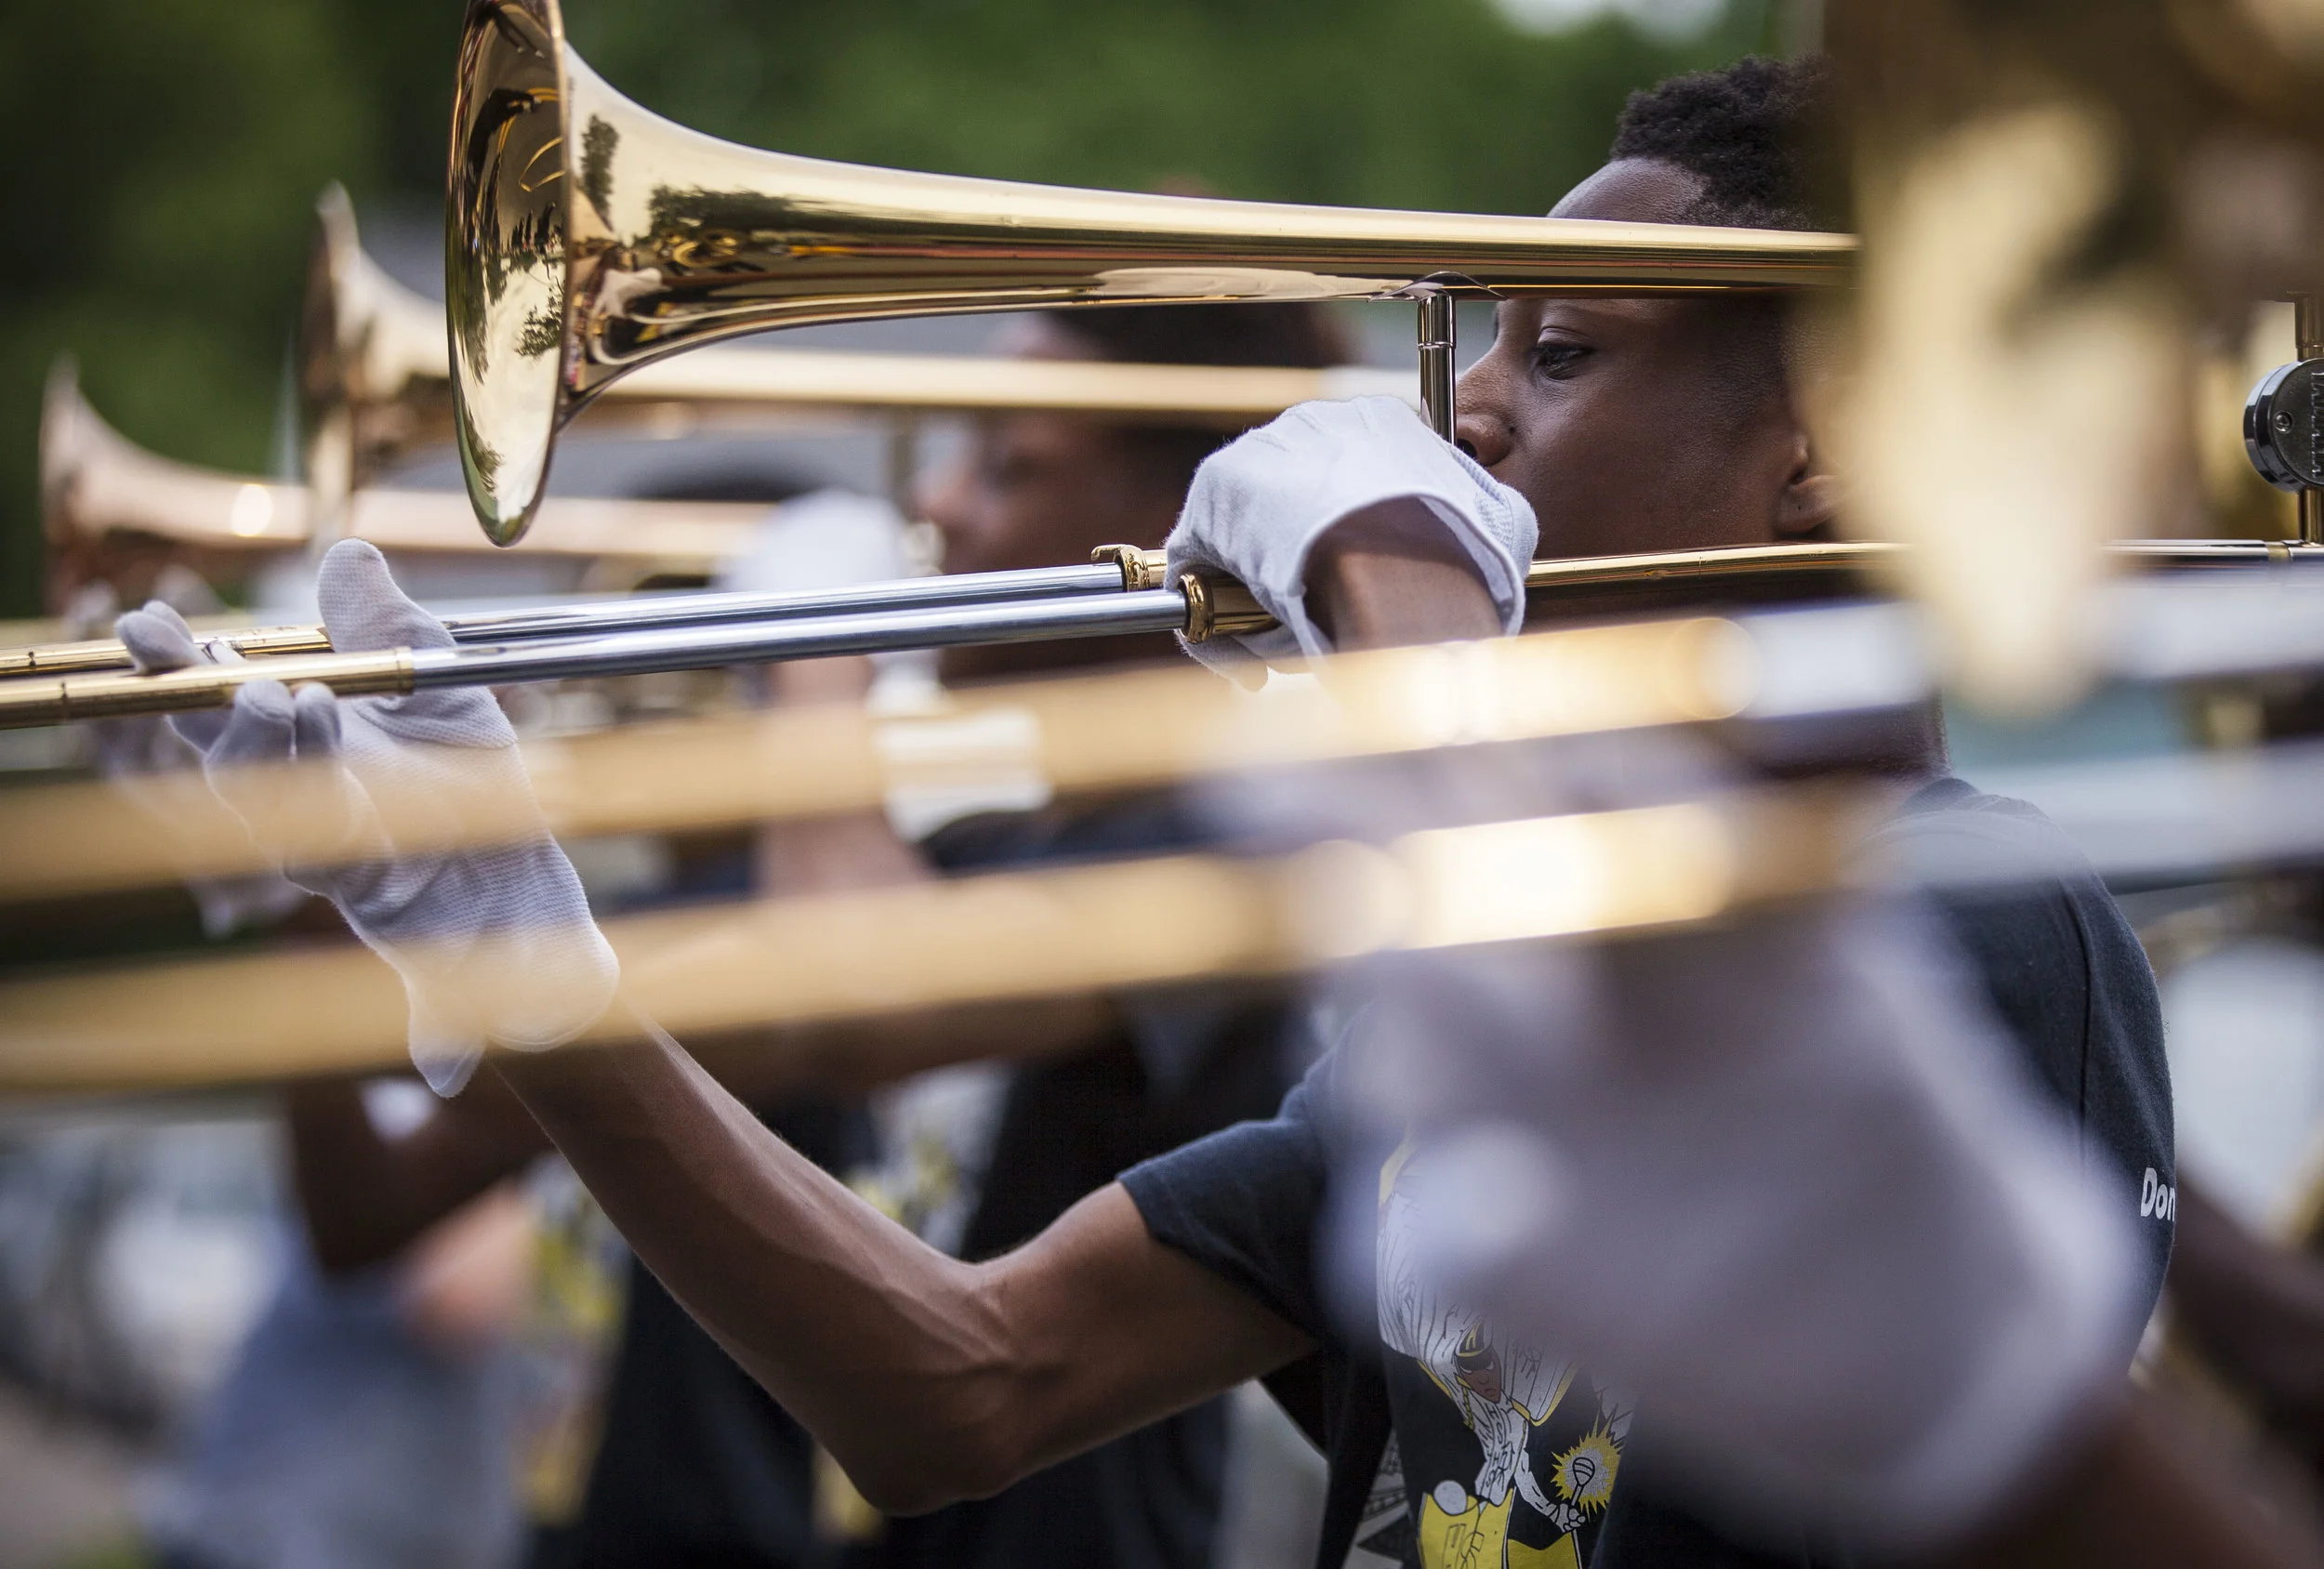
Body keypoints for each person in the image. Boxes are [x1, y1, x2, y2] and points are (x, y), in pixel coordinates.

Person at [123, 54, 2212, 1569]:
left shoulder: (1989, 904)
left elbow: (1634, 971)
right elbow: (957, 1385)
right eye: (1473, 359)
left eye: (1557, 354)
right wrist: (509, 935)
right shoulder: (1464, 1009)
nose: (1465, 408)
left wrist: (1389, 559)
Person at [248, 302, 1353, 1569]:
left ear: (1180, 522)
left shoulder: (1241, 855)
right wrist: (310, 889)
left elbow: (853, 1001)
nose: (936, 503)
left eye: (1005, 463)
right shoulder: (961, 857)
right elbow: (399, 1170)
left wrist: (813, 672)